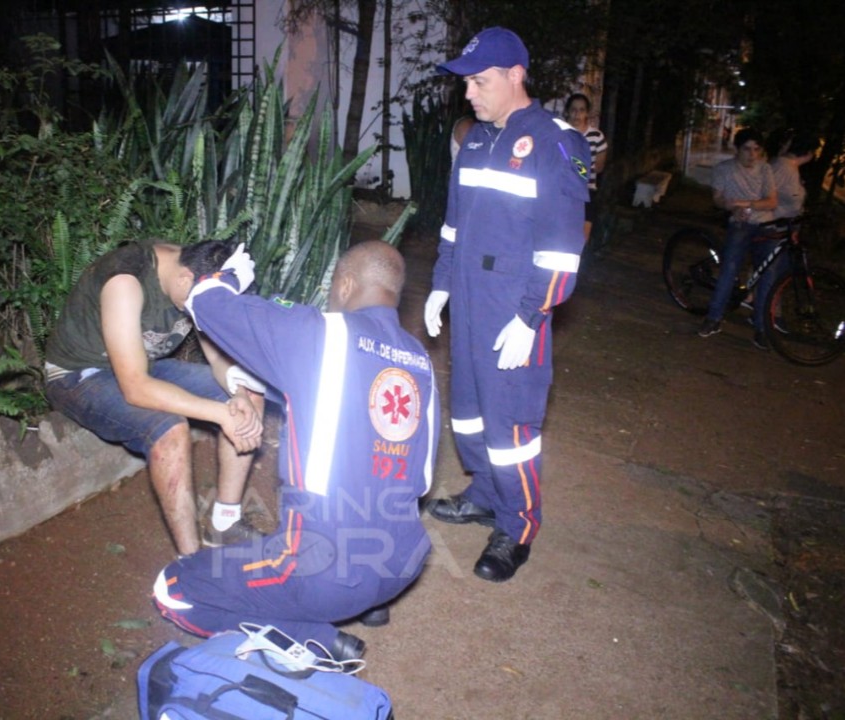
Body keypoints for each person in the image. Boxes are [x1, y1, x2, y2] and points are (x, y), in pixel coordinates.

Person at [153, 240, 440, 662]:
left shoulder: (322, 333)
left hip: (323, 575)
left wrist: (228, 276)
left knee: (173, 589)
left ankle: (317, 638)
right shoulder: (418, 359)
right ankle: (367, 605)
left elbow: (208, 303)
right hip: (402, 561)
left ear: (344, 285)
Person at [422, 27, 590, 583]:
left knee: (510, 420)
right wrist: (441, 284)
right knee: (468, 409)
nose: (470, 93)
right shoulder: (474, 139)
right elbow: (452, 223)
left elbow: (563, 249)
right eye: (467, 82)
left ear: (516, 75)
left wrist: (532, 315)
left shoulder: (555, 141)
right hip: (469, 298)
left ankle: (517, 526)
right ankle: (487, 494)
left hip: (514, 305)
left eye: (480, 81)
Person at [44, 239, 265, 558]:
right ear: (185, 279)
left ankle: (225, 523)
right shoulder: (125, 282)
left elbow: (217, 360)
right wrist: (220, 413)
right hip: (79, 375)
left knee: (250, 393)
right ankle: (191, 562)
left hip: (141, 365)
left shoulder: (198, 274)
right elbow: (135, 387)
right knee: (170, 431)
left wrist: (239, 393)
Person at [698, 128, 778, 349]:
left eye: (756, 149)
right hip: (740, 224)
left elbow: (771, 201)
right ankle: (713, 318)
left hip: (765, 225)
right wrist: (732, 208)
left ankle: (762, 328)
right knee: (729, 270)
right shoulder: (724, 169)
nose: (752, 154)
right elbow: (718, 199)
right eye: (747, 149)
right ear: (737, 149)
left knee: (767, 276)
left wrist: (746, 204)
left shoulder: (766, 170)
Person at [564, 93, 609, 243]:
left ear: (587, 113)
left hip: (586, 190)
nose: (577, 114)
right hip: (562, 190)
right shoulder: (560, 133)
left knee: (583, 236)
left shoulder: (596, 136)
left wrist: (579, 167)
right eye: (573, 109)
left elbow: (600, 167)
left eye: (582, 110)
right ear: (567, 111)